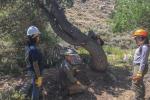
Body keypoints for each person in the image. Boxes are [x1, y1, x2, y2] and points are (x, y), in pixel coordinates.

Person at [25, 26, 44, 100]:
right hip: (35, 72)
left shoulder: (28, 47)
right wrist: (39, 77)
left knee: (34, 87)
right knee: (36, 90)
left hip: (31, 71)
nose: (38, 37)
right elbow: (35, 64)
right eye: (38, 36)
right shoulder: (33, 49)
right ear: (34, 37)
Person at [131, 29, 150, 100]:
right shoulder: (142, 46)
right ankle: (140, 97)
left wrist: (140, 72)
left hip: (140, 66)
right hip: (138, 66)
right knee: (138, 82)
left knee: (137, 83)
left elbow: (143, 60)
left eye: (136, 38)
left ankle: (139, 98)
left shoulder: (145, 47)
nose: (135, 40)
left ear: (141, 37)